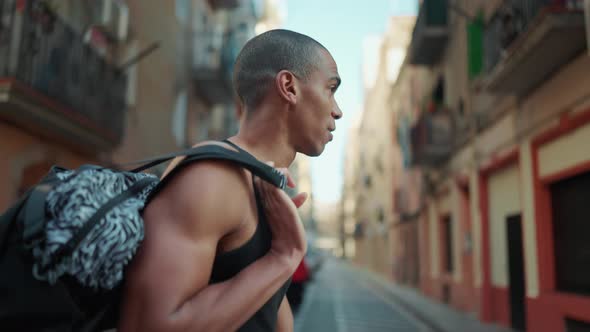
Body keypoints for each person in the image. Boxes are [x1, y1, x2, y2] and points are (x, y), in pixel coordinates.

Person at [118, 29, 342, 332]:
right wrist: (283, 257)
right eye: (331, 89)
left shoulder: (263, 186)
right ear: (289, 86)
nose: (337, 111)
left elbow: (266, 315)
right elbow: (148, 325)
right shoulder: (212, 179)